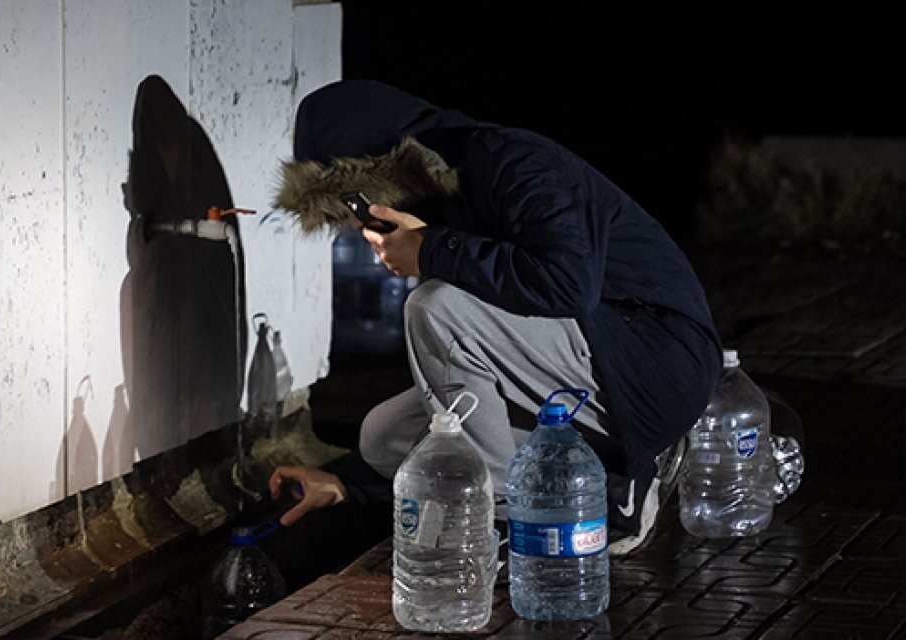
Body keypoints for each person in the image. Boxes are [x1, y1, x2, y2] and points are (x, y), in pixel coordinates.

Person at [267, 79, 722, 556]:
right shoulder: (446, 199)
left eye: (359, 205)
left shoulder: (510, 159)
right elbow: (471, 397)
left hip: (658, 361)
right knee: (382, 438)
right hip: (597, 364)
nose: (364, 227)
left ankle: (508, 524)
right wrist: (346, 484)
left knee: (435, 307)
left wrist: (432, 250)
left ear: (381, 167)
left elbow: (569, 283)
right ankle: (605, 482)